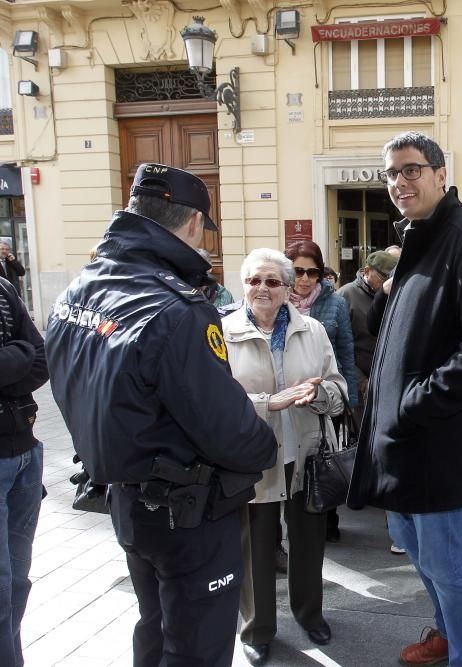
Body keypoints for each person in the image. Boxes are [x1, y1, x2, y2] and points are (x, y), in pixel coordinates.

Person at [45, 163, 278, 667]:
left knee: (154, 627)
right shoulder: (177, 308)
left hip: (128, 500)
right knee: (196, 645)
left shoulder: (78, 289)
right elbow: (230, 430)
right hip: (188, 510)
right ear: (194, 223)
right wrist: (265, 444)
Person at [348, 131, 462, 667]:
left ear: (441, 174)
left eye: (411, 170)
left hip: (434, 441)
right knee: (416, 554)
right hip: (397, 444)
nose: (399, 182)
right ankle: (444, 636)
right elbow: (397, 332)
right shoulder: (417, 239)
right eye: (391, 173)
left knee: (446, 566)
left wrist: (417, 403)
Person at [223, 248, 347, 666]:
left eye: (272, 282)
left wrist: (320, 395)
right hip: (252, 457)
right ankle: (256, 629)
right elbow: (215, 402)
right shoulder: (221, 332)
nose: (262, 289)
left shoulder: (312, 330)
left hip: (306, 451)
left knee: (309, 542)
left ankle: (310, 614)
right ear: (243, 285)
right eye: (255, 281)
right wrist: (268, 403)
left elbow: (337, 386)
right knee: (255, 546)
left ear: (289, 289)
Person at [284, 240, 358, 545]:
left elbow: (346, 352)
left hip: (326, 393)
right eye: (297, 271)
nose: (304, 279)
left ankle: (328, 516)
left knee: (325, 458)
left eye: (311, 272)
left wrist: (349, 399)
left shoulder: (335, 302)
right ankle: (290, 523)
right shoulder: (275, 299)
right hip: (287, 397)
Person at [0, 276, 47, 667]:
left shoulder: (2, 288)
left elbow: (42, 358)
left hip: (25, 454)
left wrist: (18, 354)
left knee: (17, 582)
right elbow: (26, 355)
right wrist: (17, 354)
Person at [337, 250, 397, 426]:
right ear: (366, 271)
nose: (386, 282)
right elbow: (341, 348)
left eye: (391, 277)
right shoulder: (345, 296)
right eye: (382, 276)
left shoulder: (392, 293)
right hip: (361, 385)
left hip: (389, 382)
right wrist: (362, 381)